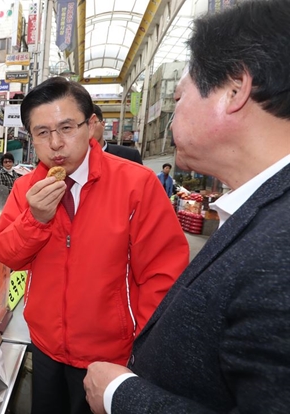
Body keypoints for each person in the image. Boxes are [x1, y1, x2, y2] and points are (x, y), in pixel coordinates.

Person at [84, 1, 290, 412]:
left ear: (235, 88)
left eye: (180, 95)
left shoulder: (281, 249)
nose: (175, 108)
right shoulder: (262, 212)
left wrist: (122, 395)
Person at [0, 77, 189, 414]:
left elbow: (162, 276)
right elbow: (6, 253)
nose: (56, 144)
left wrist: (142, 351)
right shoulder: (27, 188)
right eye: (42, 133)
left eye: (66, 127)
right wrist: (35, 219)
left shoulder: (136, 184)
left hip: (110, 355)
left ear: (92, 125)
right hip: (46, 345)